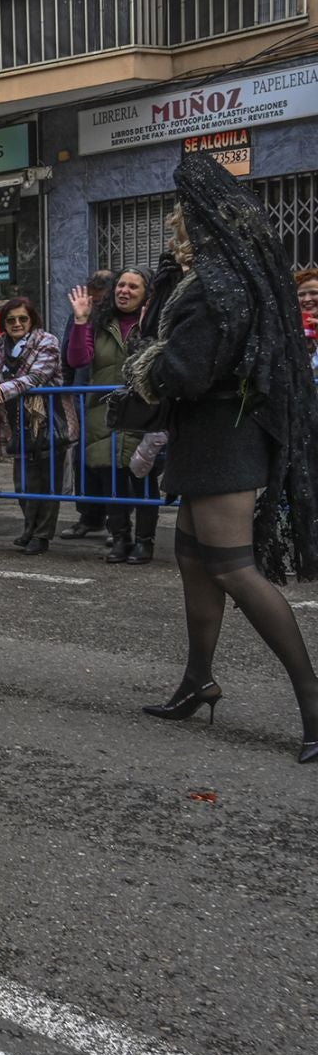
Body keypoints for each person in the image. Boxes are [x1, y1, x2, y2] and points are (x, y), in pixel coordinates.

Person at [124, 161, 318, 764]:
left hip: (221, 443)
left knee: (234, 570)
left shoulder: (214, 287)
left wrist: (145, 366)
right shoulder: (224, 278)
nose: (172, 238)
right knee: (193, 561)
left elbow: (184, 370)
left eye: (177, 229)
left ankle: (313, 701)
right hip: (211, 440)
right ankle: (198, 682)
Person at [67, 266, 158, 563]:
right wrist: (81, 321)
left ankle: (145, 541)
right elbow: (79, 359)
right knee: (111, 480)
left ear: (147, 294)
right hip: (104, 414)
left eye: (133, 287)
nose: (124, 291)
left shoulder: (155, 322)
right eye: (121, 285)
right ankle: (120, 538)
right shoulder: (99, 321)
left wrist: (147, 329)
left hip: (145, 413)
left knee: (143, 479)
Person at [0, 297, 66, 554]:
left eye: (23, 318)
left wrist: (1, 388)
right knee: (23, 482)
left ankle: (41, 535)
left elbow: (36, 377)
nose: (17, 324)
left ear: (32, 319)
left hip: (45, 418)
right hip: (14, 420)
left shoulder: (47, 341)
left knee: (47, 480)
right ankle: (29, 528)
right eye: (11, 320)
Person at [60, 269, 120, 542]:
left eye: (99, 299)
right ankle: (89, 516)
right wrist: (67, 389)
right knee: (83, 460)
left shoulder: (116, 318)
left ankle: (115, 521)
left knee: (108, 461)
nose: (95, 304)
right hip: (83, 395)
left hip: (109, 398)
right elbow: (68, 351)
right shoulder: (80, 315)